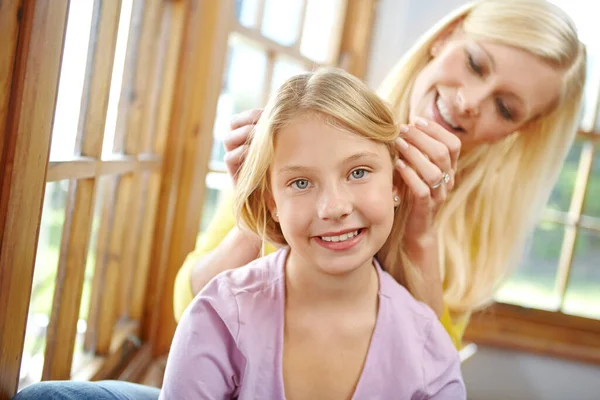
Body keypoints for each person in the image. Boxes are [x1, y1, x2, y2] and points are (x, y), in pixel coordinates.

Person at [13, 0, 585, 398]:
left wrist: (422, 233)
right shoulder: (309, 121)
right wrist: (258, 206)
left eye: (505, 107)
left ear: (519, 131)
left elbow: (423, 356)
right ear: (444, 39)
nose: (469, 101)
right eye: (476, 63)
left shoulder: (475, 235)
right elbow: (193, 309)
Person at [160, 67, 466, 399]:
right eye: (301, 182)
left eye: (358, 172)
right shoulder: (218, 317)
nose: (333, 207)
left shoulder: (429, 350)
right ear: (271, 201)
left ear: (395, 184)